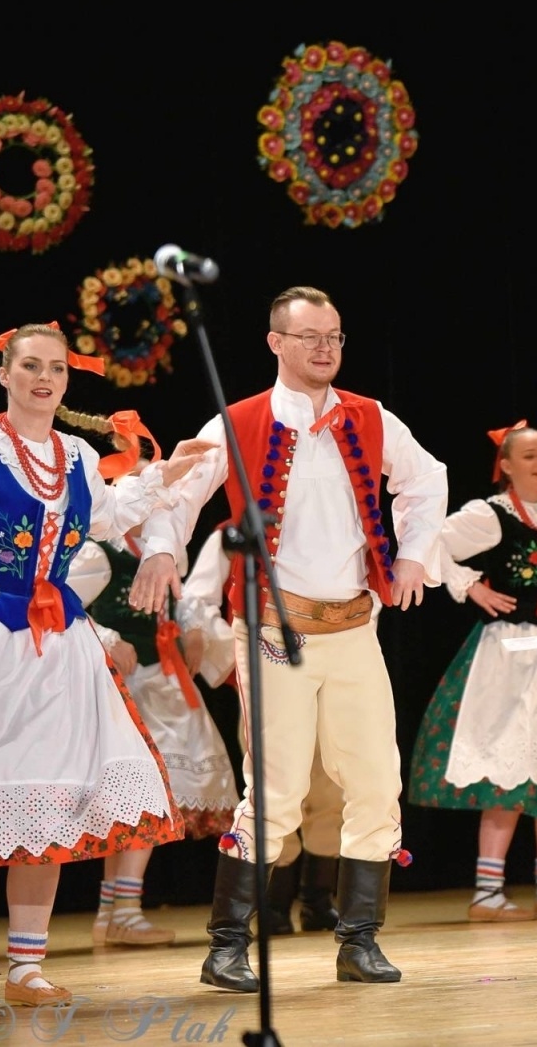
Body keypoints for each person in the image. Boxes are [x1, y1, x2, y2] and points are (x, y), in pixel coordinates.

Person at [127, 285, 448, 990]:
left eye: (334, 336)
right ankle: (226, 947)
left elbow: (428, 480)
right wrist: (161, 551)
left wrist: (415, 555)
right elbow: (180, 492)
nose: (325, 348)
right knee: (275, 789)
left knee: (376, 783)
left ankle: (359, 940)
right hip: (274, 631)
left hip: (354, 627)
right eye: (310, 336)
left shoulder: (370, 416)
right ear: (276, 343)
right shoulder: (239, 421)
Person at [0, 322, 211, 1004]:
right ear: (5, 375)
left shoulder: (74, 454)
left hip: (56, 649)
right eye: (31, 366)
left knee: (48, 802)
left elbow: (108, 514)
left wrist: (165, 473)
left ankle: (25, 968)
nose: (44, 379)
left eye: (57, 369)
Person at [408, 421, 537, 922]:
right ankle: (487, 893)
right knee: (506, 763)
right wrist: (470, 587)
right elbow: (432, 542)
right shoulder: (490, 515)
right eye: (529, 456)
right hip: (510, 653)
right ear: (507, 466)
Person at [58, 427, 238, 948]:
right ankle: (121, 910)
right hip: (122, 686)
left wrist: (195, 630)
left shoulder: (163, 549)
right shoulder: (96, 550)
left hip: (163, 682)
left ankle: (117, 911)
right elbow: (64, 604)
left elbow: (180, 601)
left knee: (155, 794)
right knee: (139, 793)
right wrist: (110, 640)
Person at [174, 524, 344, 937]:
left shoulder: (331, 521)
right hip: (269, 675)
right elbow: (197, 596)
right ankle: (273, 902)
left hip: (329, 671)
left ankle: (319, 900)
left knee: (330, 788)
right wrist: (232, 653)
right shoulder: (236, 532)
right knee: (273, 787)